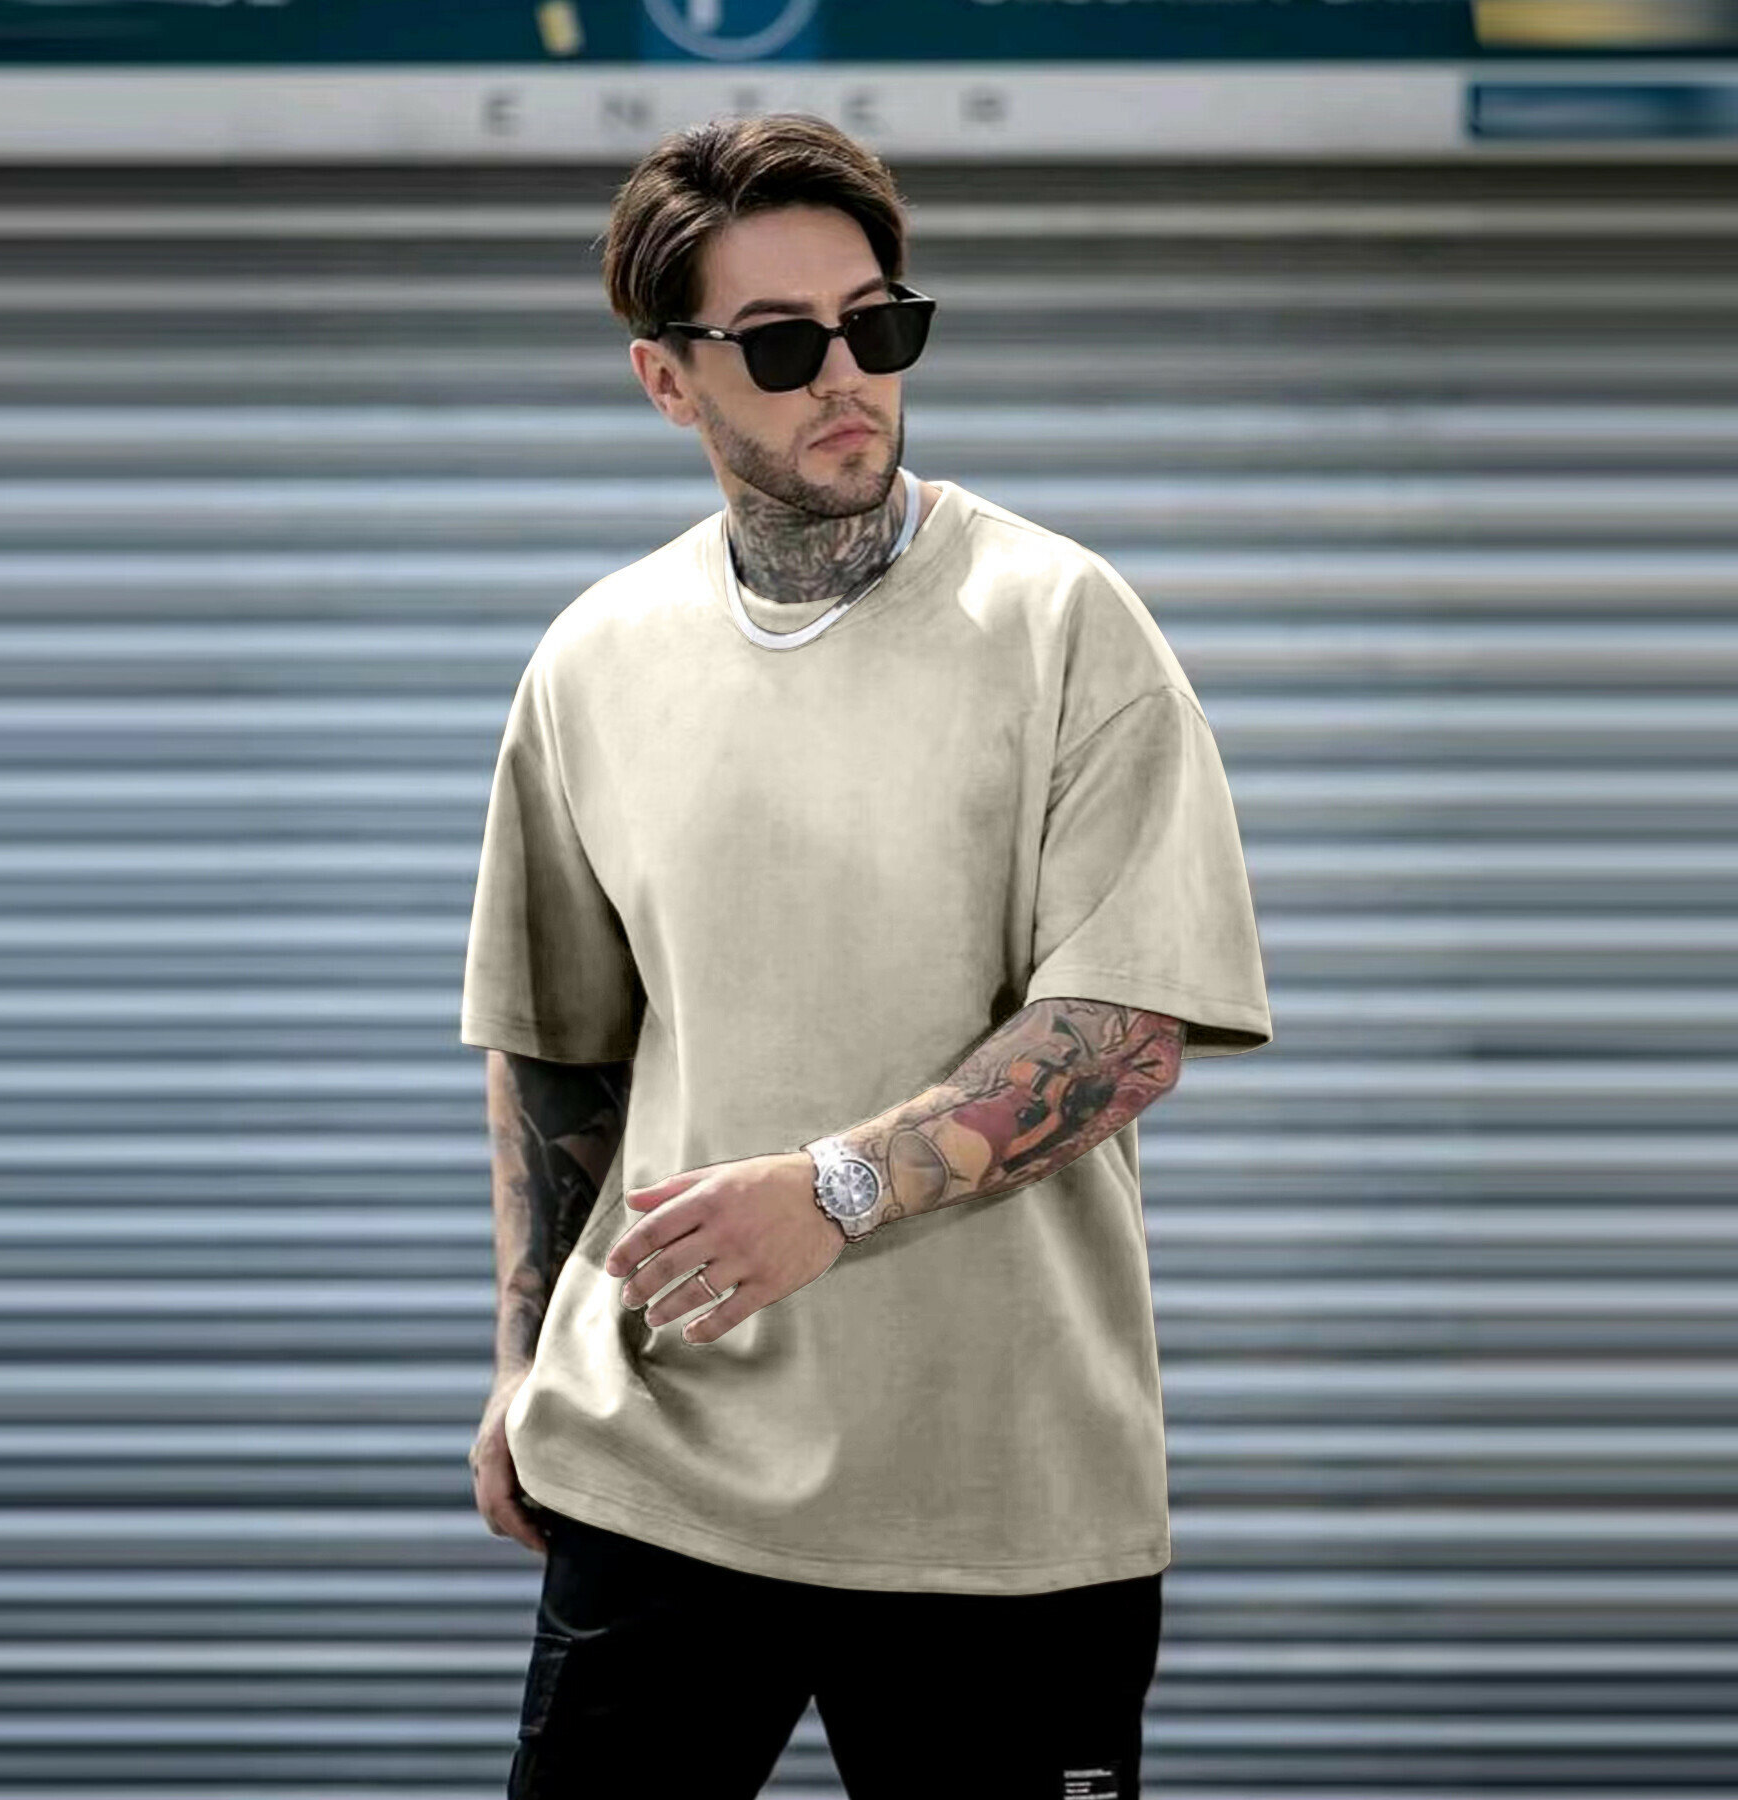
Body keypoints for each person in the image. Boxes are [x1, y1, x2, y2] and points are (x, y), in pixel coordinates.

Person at [462, 111, 1273, 1800]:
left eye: (877, 325)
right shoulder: (591, 663)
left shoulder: (1064, 625)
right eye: (780, 344)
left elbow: (1126, 1026)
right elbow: (560, 1046)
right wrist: (526, 1362)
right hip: (657, 1467)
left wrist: (830, 1193)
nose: (846, 377)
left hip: (1001, 1503)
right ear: (666, 380)